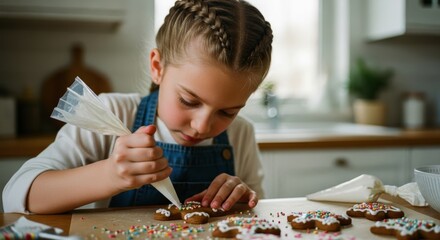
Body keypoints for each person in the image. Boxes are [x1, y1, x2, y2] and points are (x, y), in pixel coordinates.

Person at [2, 0, 273, 214]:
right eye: (189, 101)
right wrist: (109, 175)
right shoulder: (111, 115)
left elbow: (256, 209)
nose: (202, 126)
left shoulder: (240, 134)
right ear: (157, 67)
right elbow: (15, 195)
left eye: (228, 112)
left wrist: (242, 199)